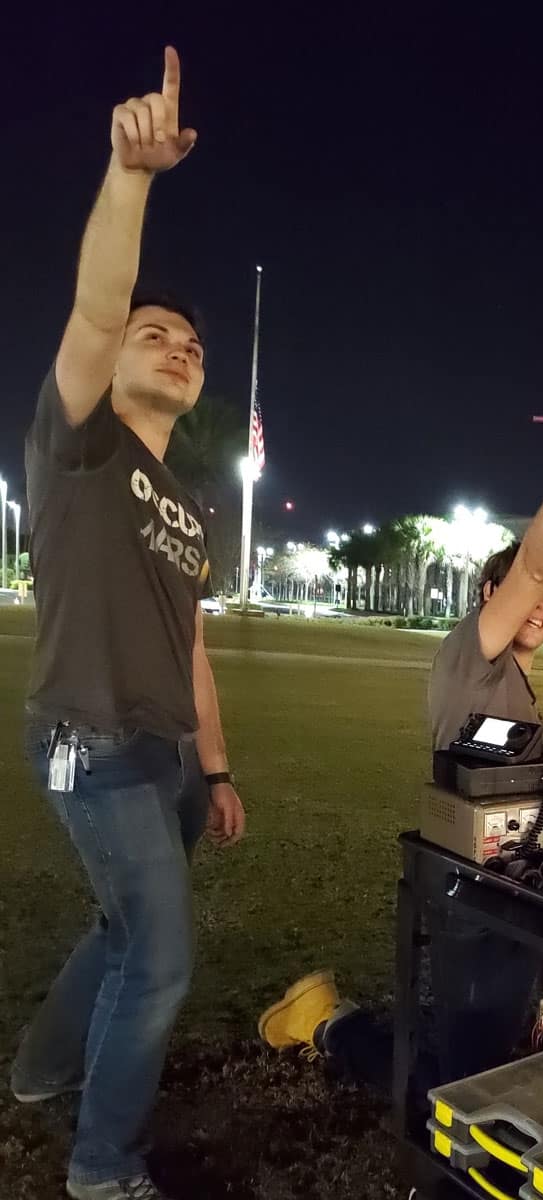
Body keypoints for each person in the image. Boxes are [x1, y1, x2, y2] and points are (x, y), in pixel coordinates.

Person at [9, 48, 246, 1200]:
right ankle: (101, 1170)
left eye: (193, 343)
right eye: (160, 335)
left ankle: (45, 1071)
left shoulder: (191, 503)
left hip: (166, 757)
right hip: (88, 741)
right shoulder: (79, 447)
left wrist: (218, 767)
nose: (181, 345)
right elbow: (99, 303)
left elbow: (192, 647)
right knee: (157, 958)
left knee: (118, 929)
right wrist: (132, 178)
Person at [258, 426, 543, 1091]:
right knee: (458, 1088)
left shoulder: (516, 685)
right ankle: (328, 1021)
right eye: (534, 592)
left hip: (518, 882)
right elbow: (534, 567)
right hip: (474, 897)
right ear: (489, 595)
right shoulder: (474, 657)